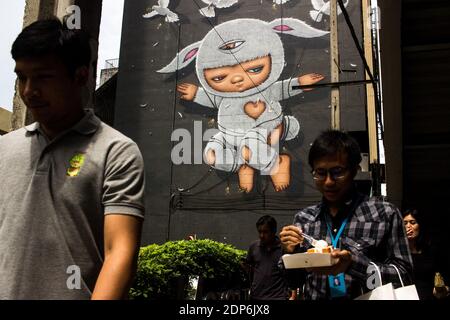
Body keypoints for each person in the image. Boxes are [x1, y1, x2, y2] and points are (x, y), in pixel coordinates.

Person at [0, 18, 145, 299]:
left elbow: (120, 253)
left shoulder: (116, 152)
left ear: (80, 76)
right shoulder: (4, 148)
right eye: (22, 77)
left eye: (43, 77)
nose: (29, 90)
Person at [280, 130, 413, 299]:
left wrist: (353, 264)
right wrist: (289, 253)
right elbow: (293, 283)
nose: (328, 181)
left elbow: (404, 277)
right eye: (320, 173)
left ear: (355, 170)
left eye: (337, 172)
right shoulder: (304, 220)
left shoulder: (385, 214)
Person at [402, 209, 449, 299]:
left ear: (420, 225)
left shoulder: (431, 251)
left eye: (412, 222)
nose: (408, 226)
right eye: (405, 223)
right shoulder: (397, 251)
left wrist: (443, 290)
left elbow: (444, 277)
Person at [245, 215, 295, 300]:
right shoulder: (253, 247)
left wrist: (293, 296)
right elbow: (249, 269)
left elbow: (293, 273)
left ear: (274, 231)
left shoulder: (284, 248)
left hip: (278, 297)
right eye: (259, 232)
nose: (261, 235)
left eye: (265, 232)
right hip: (256, 296)